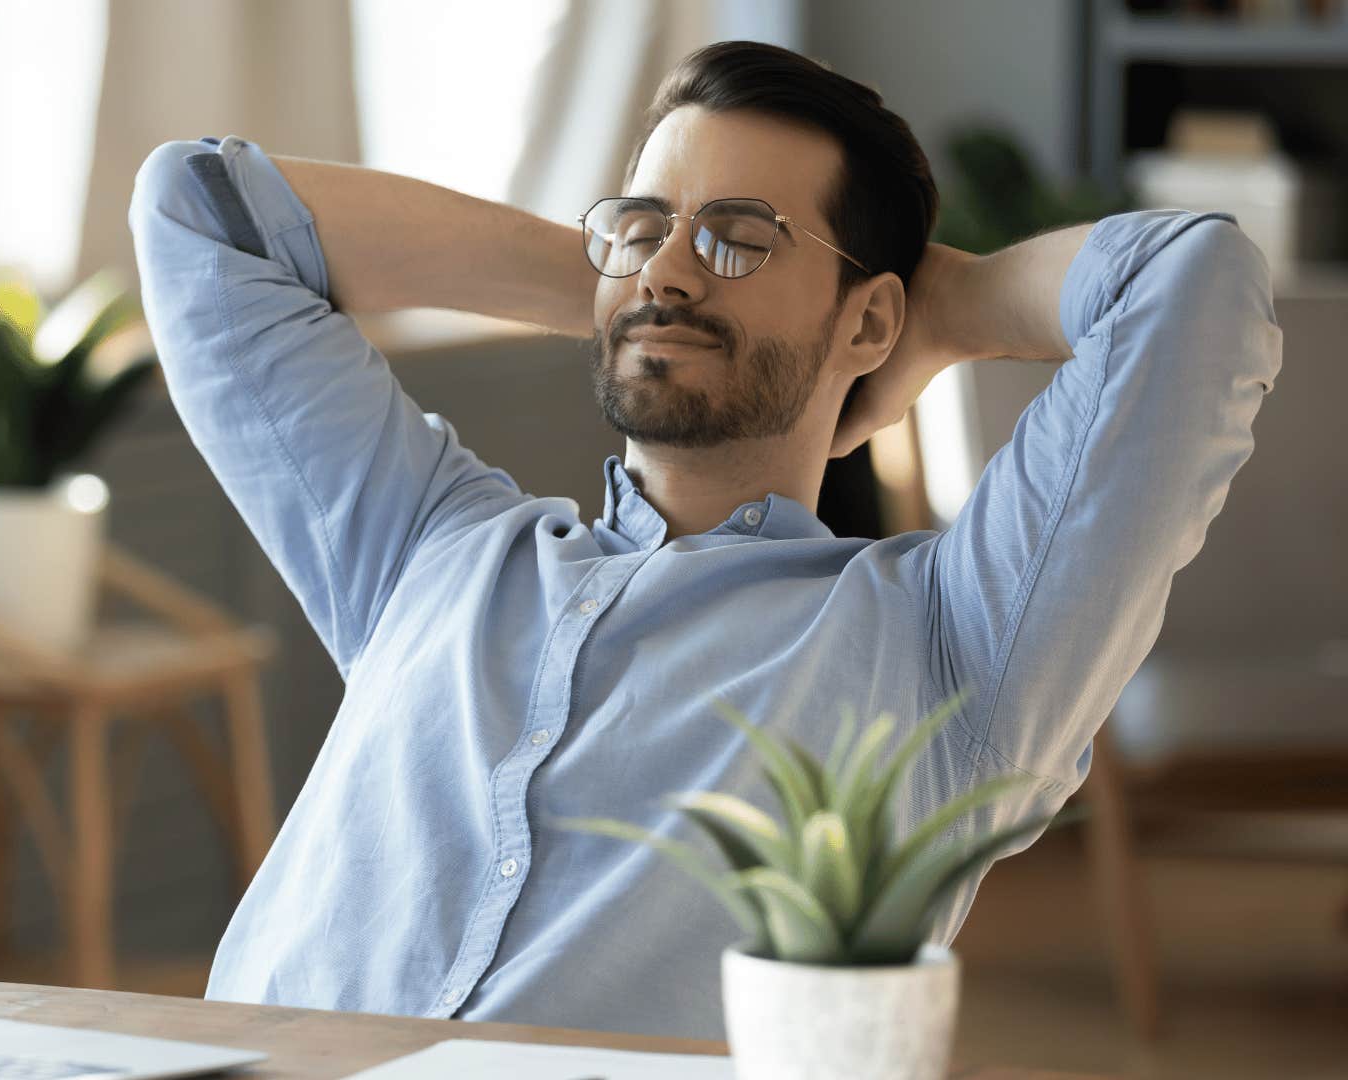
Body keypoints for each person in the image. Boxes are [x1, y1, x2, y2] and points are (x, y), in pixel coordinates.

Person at [126, 40, 1280, 1038]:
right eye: (637, 226)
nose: (672, 267)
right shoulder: (429, 543)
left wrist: (936, 316)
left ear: (871, 313)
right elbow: (199, 211)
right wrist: (635, 291)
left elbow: (1193, 283)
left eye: (740, 237)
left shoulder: (951, 646)